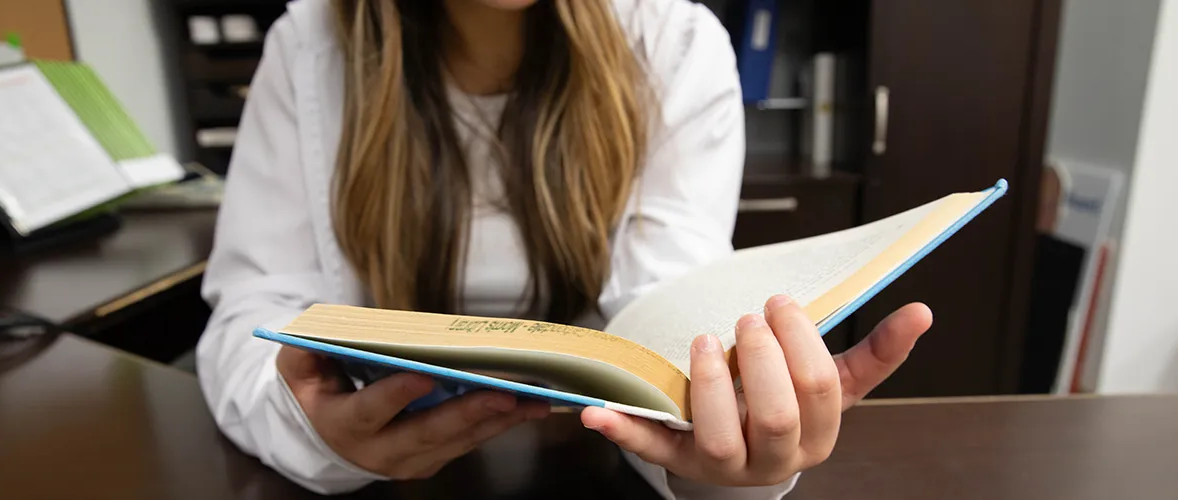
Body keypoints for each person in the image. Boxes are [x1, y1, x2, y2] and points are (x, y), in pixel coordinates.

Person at [196, 0, 934, 498]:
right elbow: (251, 315)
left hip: (593, 462)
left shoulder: (671, 39)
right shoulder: (310, 43)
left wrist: (723, 441)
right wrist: (315, 436)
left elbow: (670, 307)